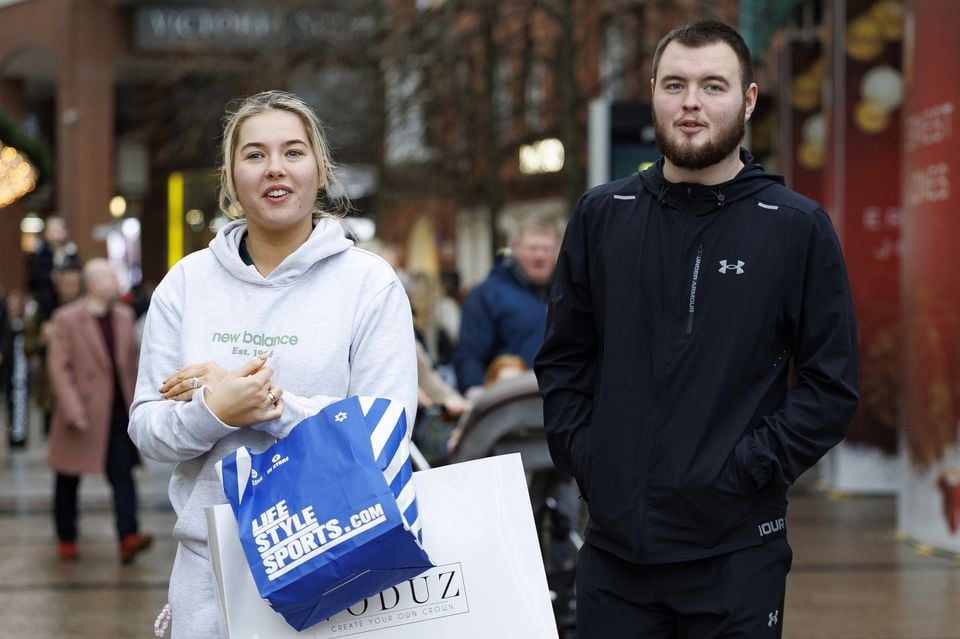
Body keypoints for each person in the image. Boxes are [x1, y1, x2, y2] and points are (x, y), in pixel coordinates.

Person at [535, 20, 859, 638]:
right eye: (675, 84)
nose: (691, 103)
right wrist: (587, 458)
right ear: (652, 92)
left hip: (736, 555)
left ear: (749, 99)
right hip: (613, 556)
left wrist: (748, 470)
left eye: (713, 86)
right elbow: (564, 360)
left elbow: (831, 386)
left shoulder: (795, 226)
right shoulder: (604, 214)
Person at [127, 90, 417, 638]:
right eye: (255, 154)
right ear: (231, 176)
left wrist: (266, 407)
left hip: (338, 564)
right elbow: (147, 430)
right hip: (210, 575)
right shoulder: (186, 285)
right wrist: (212, 412)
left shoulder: (368, 284)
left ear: (322, 167)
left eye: (293, 152)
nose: (275, 169)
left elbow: (388, 433)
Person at [45, 259, 151, 562]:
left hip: (118, 411)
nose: (116, 283)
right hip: (82, 412)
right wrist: (72, 408)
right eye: (109, 279)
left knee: (123, 475)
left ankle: (128, 536)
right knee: (68, 477)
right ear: (93, 284)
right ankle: (67, 537)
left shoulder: (123, 315)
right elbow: (59, 368)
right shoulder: (66, 318)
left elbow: (132, 365)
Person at [454, 212, 561, 397]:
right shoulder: (486, 295)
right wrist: (477, 398)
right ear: (516, 247)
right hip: (511, 406)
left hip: (560, 405)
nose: (540, 255)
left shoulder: (568, 295)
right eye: (533, 248)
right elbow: (470, 355)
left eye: (546, 248)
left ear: (558, 249)